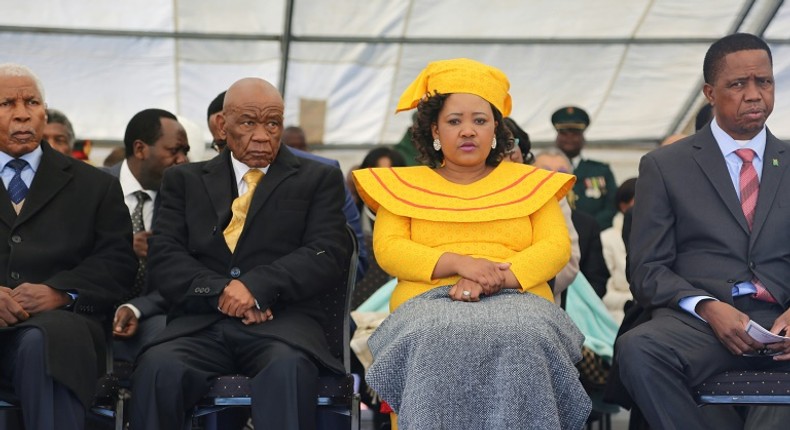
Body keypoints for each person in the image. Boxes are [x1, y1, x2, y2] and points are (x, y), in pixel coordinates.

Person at [353, 58, 590, 429]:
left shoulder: (532, 183)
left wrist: (491, 278)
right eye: (454, 121)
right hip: (426, 303)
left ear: (496, 127)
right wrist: (462, 264)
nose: (468, 131)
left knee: (523, 334)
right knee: (433, 334)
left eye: (480, 120)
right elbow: (390, 248)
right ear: (434, 129)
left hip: (519, 298)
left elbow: (554, 247)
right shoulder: (401, 186)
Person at [129, 77, 350, 430]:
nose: (262, 135)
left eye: (272, 123)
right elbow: (165, 257)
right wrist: (221, 293)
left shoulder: (318, 178)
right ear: (222, 125)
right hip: (200, 325)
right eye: (249, 122)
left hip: (283, 325)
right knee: (158, 368)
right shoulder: (183, 180)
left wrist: (257, 288)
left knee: (288, 369)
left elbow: (327, 252)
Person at [618, 33, 790, 429]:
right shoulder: (665, 166)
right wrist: (708, 307)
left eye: (763, 82)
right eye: (738, 84)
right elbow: (647, 270)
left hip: (780, 319)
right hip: (701, 325)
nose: (753, 94)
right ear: (710, 93)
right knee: (639, 349)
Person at [0, 63, 136, 430]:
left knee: (47, 343)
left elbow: (119, 263)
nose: (22, 113)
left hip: (60, 328)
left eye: (32, 101)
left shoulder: (94, 186)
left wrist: (61, 292)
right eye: (7, 104)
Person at [106, 108, 189, 362]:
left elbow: (184, 276)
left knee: (175, 345)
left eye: (186, 151)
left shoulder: (186, 199)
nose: (183, 160)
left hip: (151, 315)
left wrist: (137, 308)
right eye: (174, 150)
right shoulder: (90, 186)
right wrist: (122, 247)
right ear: (141, 149)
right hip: (91, 310)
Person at [503, 117, 580, 303]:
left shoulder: (546, 192)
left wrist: (516, 287)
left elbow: (569, 261)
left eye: (512, 143)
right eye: (501, 146)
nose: (510, 152)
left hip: (537, 302)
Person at [553, 106, 618, 230]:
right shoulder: (544, 170)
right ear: (557, 137)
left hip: (595, 235)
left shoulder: (601, 170)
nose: (569, 138)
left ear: (583, 138)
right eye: (564, 133)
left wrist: (589, 229)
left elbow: (612, 206)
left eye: (575, 133)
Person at [601, 178, 636, 324]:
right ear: (624, 206)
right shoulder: (607, 238)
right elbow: (603, 293)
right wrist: (631, 301)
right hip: (615, 318)